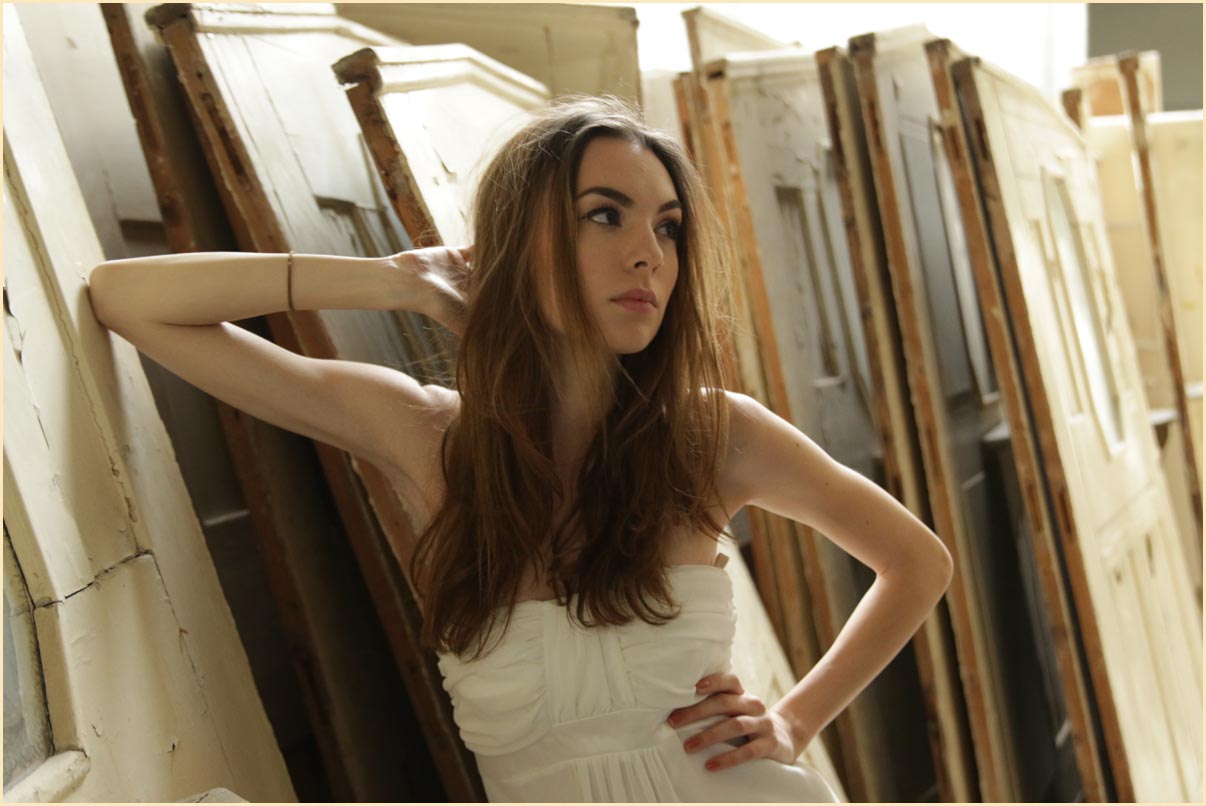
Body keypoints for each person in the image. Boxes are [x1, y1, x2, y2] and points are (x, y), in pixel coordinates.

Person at [89, 96, 953, 802]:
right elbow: (126, 299)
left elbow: (918, 562)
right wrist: (394, 281)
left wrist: (794, 721)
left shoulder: (712, 434)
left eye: (668, 227)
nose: (648, 256)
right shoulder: (425, 435)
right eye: (604, 215)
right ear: (518, 242)